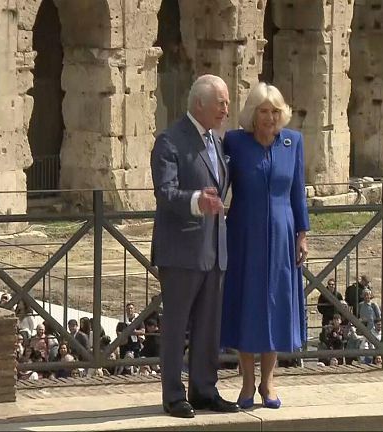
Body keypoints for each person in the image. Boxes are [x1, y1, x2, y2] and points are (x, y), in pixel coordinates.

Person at [150, 74, 237, 418]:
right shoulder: (170, 141)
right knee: (176, 326)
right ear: (200, 104)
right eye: (221, 103)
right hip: (182, 250)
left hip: (214, 248)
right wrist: (196, 201)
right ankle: (173, 394)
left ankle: (204, 389)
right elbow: (165, 192)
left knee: (207, 325)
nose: (226, 110)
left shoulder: (216, 141)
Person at [220, 82, 310, 410]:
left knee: (275, 305)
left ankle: (268, 381)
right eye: (263, 111)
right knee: (248, 303)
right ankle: (245, 382)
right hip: (244, 232)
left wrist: (303, 233)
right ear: (252, 114)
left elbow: (297, 191)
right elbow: (219, 180)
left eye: (274, 111)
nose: (270, 117)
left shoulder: (293, 142)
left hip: (284, 233)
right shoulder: (235, 142)